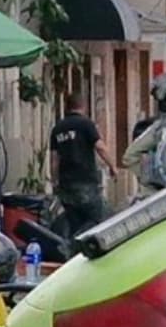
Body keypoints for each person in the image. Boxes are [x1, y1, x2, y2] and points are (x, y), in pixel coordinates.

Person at [50, 92, 117, 236]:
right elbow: (100, 147)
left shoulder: (57, 129)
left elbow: (55, 159)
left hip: (66, 184)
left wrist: (55, 181)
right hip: (85, 181)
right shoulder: (86, 124)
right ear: (83, 106)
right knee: (98, 220)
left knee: (75, 223)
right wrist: (112, 166)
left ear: (67, 107)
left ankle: (76, 249)